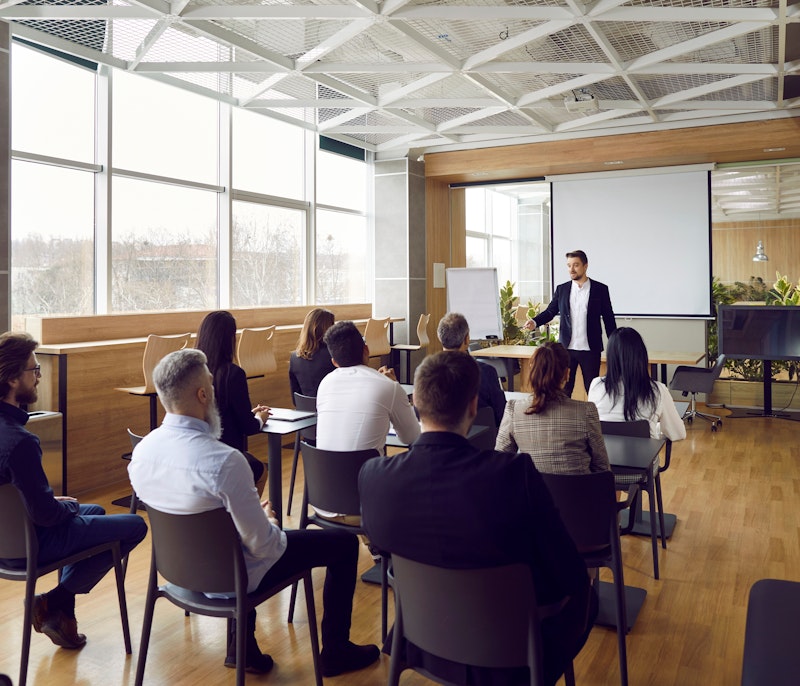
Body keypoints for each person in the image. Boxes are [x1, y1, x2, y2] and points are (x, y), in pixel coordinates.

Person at [128, 348, 379, 677]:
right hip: (231, 578)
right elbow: (266, 547)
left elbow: (195, 514)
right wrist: (269, 523)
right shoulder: (224, 461)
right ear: (202, 394)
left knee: (236, 536)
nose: (215, 395)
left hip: (177, 576)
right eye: (212, 389)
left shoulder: (142, 452)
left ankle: (242, 649)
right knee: (343, 545)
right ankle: (335, 650)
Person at [359, 351, 596, 686]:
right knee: (587, 597)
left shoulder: (374, 477)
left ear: (415, 405)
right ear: (473, 406)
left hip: (422, 640)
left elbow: (380, 546)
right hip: (508, 655)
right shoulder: (514, 476)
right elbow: (570, 573)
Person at [0, 331, 147, 650]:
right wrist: (64, 505)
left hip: (5, 543)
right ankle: (56, 599)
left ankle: (61, 614)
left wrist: (58, 504)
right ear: (12, 379)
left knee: (93, 511)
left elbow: (25, 503)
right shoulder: (20, 441)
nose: (38, 377)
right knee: (135, 526)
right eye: (34, 369)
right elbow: (46, 514)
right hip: (32, 545)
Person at [495, 341, 609, 475]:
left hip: (532, 495)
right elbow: (602, 469)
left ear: (533, 370)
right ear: (567, 374)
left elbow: (499, 463)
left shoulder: (514, 410)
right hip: (577, 495)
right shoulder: (586, 411)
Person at [316, 320, 420, 453]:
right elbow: (411, 437)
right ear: (366, 350)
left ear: (334, 362)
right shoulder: (388, 386)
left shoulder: (325, 384)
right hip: (367, 472)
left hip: (322, 471)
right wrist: (395, 386)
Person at [195, 310, 269, 494]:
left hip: (197, 457)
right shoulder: (233, 374)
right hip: (226, 458)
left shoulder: (192, 372)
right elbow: (249, 428)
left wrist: (248, 412)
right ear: (229, 340)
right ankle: (243, 519)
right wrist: (260, 418)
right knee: (261, 469)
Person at [525, 250, 616, 396]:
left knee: (592, 391)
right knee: (564, 391)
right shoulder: (562, 289)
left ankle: (593, 418)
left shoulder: (600, 289)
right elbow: (550, 312)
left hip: (590, 350)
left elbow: (608, 318)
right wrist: (535, 322)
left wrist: (615, 344)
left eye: (576, 265)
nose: (571, 269)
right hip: (566, 350)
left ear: (585, 266)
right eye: (568, 266)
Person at [588, 327, 687, 441]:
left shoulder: (596, 385)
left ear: (610, 357)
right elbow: (679, 434)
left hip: (606, 458)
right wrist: (656, 428)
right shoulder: (657, 390)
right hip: (645, 458)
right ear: (641, 355)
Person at [437, 312, 506, 427]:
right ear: (467, 339)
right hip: (483, 441)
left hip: (440, 440)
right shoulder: (486, 372)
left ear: (440, 337)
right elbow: (501, 414)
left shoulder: (426, 373)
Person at [289, 307, 336, 399]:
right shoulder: (334, 356)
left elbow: (295, 398)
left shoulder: (294, 357)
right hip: (332, 408)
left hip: (305, 409)